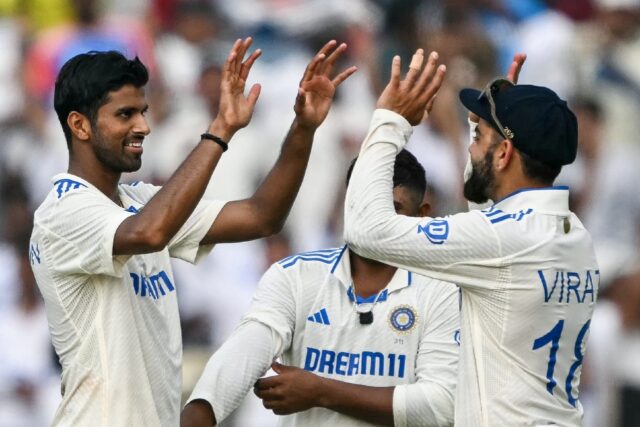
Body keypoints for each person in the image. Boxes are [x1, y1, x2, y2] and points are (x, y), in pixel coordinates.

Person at [28, 38, 356, 426]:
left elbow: (260, 216)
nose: (144, 127)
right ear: (79, 125)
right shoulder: (63, 212)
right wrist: (220, 129)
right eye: (125, 115)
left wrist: (303, 128)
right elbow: (149, 233)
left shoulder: (139, 201)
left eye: (144, 112)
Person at [344, 49, 599, 426]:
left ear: (505, 153)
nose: (469, 144)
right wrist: (497, 121)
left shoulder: (505, 239)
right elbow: (486, 215)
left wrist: (390, 119)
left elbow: (365, 231)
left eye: (478, 135)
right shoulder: (573, 234)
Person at [181, 149, 460, 427]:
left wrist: (321, 391)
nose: (374, 221)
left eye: (392, 208)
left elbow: (440, 406)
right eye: (364, 205)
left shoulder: (443, 291)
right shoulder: (297, 275)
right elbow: (246, 350)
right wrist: (201, 411)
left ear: (422, 215)